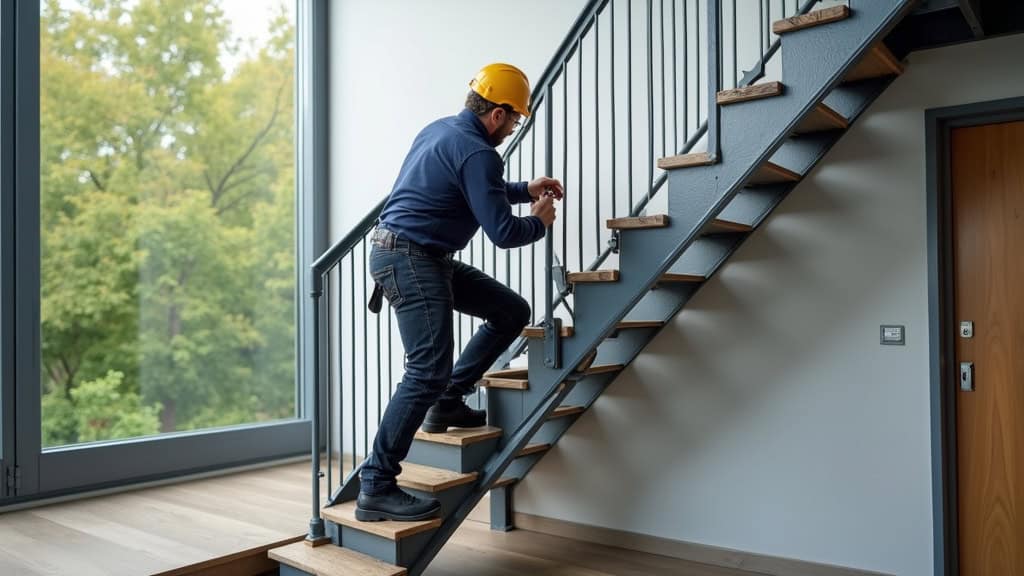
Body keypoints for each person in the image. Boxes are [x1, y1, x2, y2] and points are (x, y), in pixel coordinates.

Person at [356, 63, 564, 522]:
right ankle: (376, 485)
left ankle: (448, 401)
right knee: (425, 372)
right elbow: (504, 233)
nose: (512, 129)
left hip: (414, 255)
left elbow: (478, 188)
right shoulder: (479, 152)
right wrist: (539, 221)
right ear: (497, 113)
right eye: (514, 120)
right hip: (412, 258)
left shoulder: (441, 130)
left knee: (511, 311)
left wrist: (523, 189)